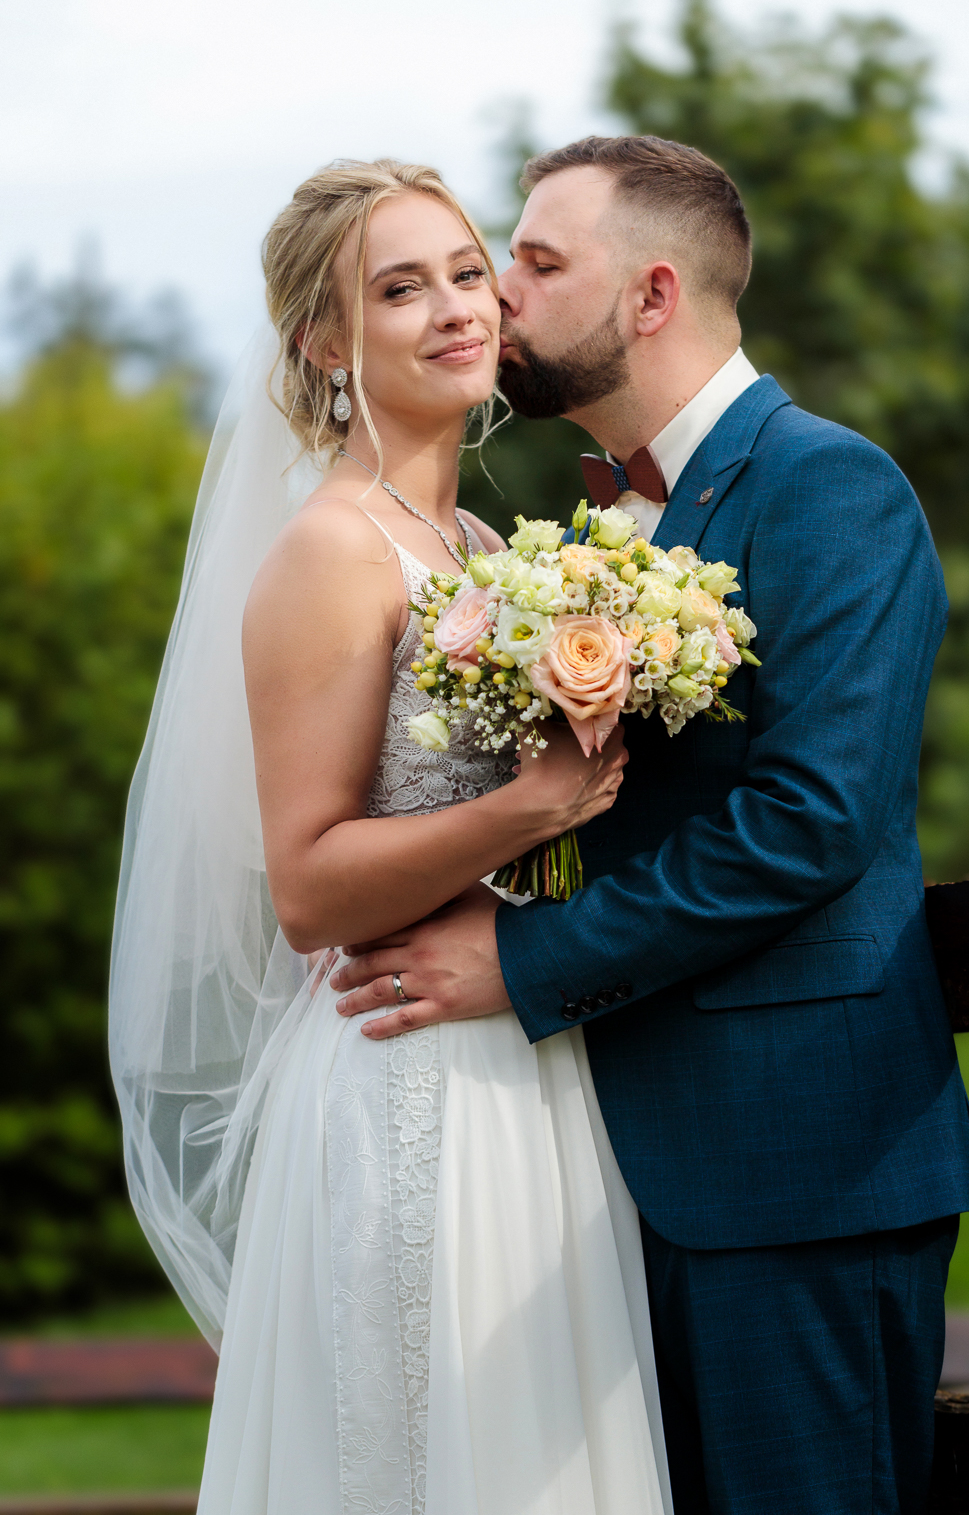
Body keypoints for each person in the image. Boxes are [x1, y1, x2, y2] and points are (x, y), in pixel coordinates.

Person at [331, 135, 969, 1515]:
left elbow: (811, 820)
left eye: (536, 262)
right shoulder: (590, 526)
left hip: (797, 1169)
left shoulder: (830, 487)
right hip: (597, 1167)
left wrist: (521, 959)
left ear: (651, 296)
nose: (498, 296)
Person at [109, 159, 674, 1515]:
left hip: (521, 1058)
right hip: (406, 1071)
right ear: (325, 340)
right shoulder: (330, 551)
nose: (458, 308)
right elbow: (307, 888)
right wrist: (529, 806)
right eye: (402, 289)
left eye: (469, 273)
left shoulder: (469, 537)